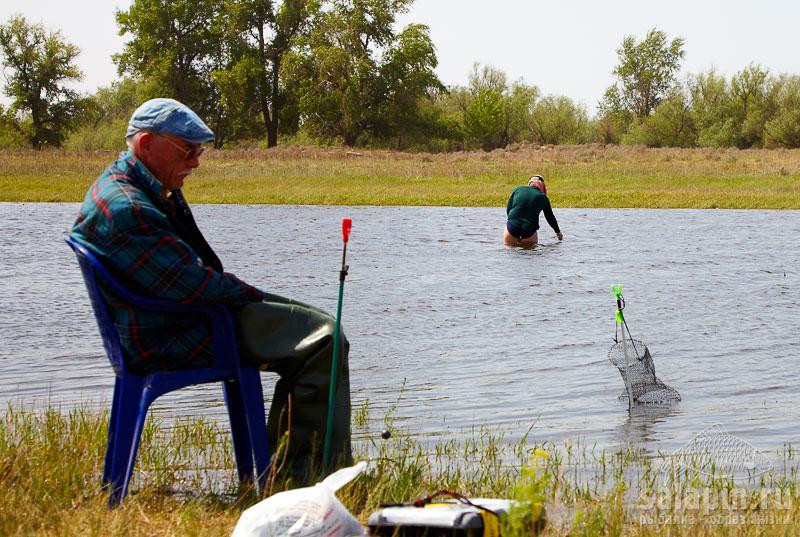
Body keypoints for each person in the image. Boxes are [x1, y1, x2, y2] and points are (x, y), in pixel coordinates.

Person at [70, 98, 352, 480]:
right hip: (173, 332)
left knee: (315, 327)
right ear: (147, 143)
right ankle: (303, 479)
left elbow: (189, 274)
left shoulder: (130, 186)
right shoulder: (130, 208)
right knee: (325, 340)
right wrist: (249, 293)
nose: (196, 162)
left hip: (163, 321)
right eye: (187, 149)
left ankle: (291, 470)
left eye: (199, 150)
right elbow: (194, 283)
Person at [503, 175, 564, 247]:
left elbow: (508, 210)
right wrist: (558, 232)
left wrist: (513, 222)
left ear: (529, 184)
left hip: (512, 226)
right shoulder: (543, 197)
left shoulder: (518, 189)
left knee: (510, 254)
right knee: (529, 256)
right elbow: (550, 217)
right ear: (543, 187)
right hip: (529, 229)